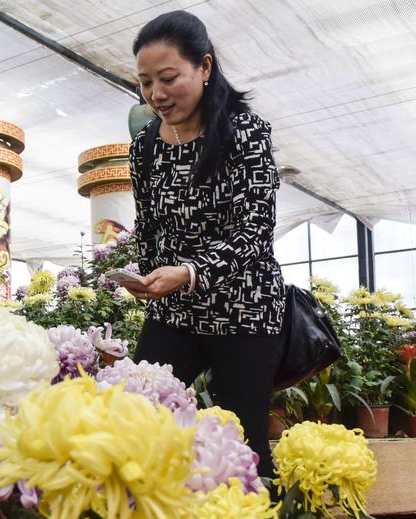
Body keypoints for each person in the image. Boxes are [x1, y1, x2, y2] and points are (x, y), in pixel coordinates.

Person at [120, 10, 285, 478]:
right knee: (137, 416)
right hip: (174, 313)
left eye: (168, 78)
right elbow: (149, 224)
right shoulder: (145, 146)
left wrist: (189, 272)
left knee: (243, 442)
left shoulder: (245, 133)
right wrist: (147, 276)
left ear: (205, 68)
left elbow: (255, 230)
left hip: (244, 312)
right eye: (145, 82)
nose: (156, 94)